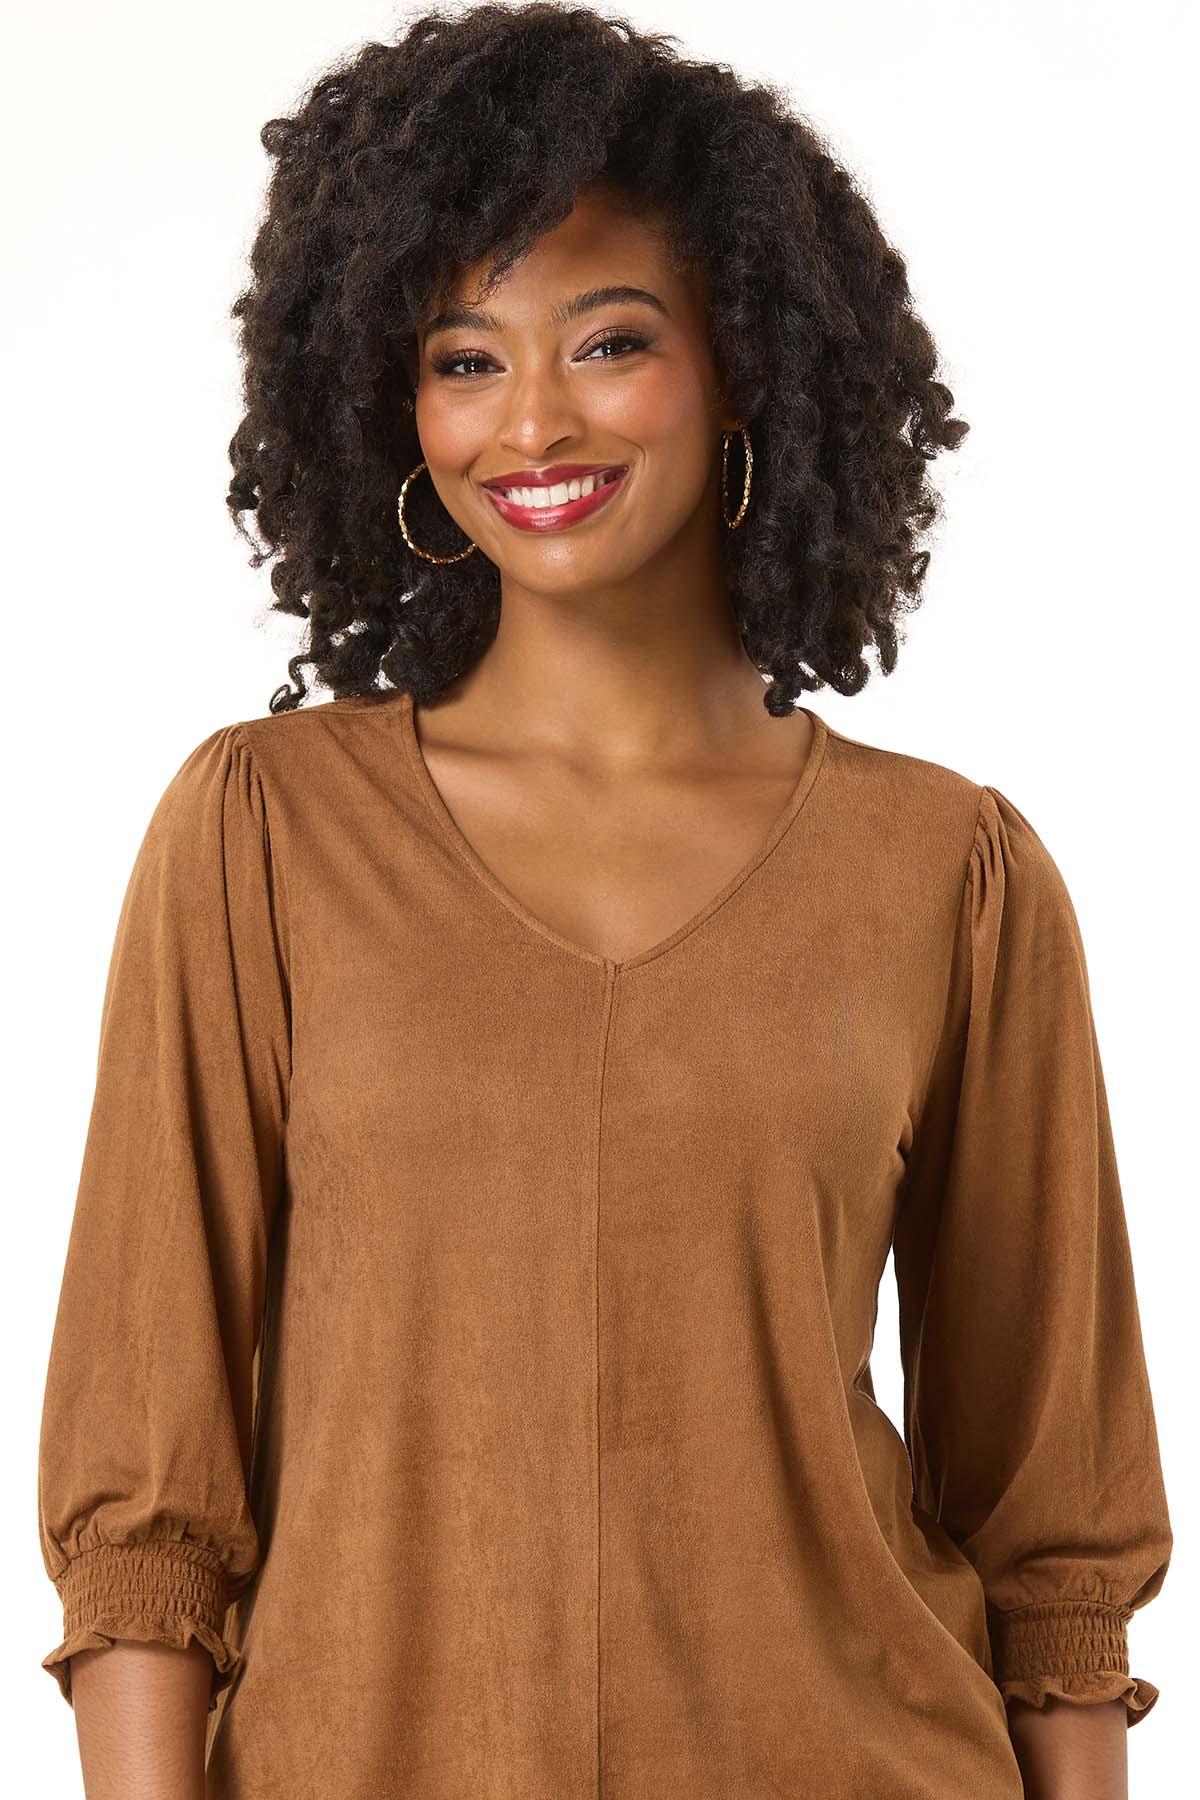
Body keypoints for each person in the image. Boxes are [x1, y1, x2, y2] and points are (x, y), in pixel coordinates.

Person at [37, 6, 1172, 1798]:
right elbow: (145, 1512)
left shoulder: (953, 877)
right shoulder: (263, 839)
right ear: (396, 406)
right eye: (463, 358)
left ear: (745, 365)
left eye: (611, 340)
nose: (534, 420)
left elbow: (1055, 1540)